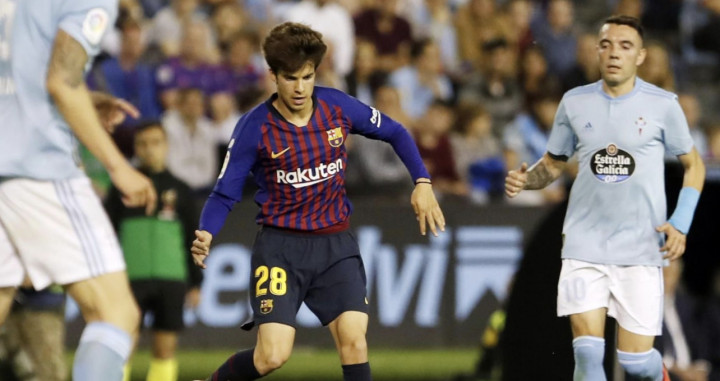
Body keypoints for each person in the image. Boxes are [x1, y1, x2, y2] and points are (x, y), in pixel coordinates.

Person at [191, 22, 445, 381]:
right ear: (273, 77)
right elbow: (224, 192)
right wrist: (207, 231)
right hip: (281, 248)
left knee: (354, 340)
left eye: (307, 77)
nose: (299, 87)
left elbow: (395, 131)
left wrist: (422, 181)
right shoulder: (255, 127)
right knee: (271, 357)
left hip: (335, 245)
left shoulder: (337, 107)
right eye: (290, 78)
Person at [505, 15, 706, 381]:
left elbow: (695, 166)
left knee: (634, 364)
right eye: (607, 44)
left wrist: (681, 222)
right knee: (586, 355)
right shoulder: (574, 103)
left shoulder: (663, 105)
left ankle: (656, 371)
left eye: (625, 46)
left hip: (640, 248)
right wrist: (526, 179)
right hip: (584, 244)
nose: (615, 53)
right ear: (597, 51)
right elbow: (552, 164)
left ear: (640, 56)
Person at [0, 2, 157, 381]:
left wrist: (85, 102)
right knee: (115, 314)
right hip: (34, 168)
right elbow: (61, 82)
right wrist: (120, 168)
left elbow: (23, 77)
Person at [105, 122, 203, 381]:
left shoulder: (181, 190)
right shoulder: (121, 188)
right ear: (136, 147)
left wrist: (196, 283)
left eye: (156, 142)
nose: (149, 149)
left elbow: (193, 237)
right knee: (122, 347)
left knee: (165, 349)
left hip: (171, 280)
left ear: (166, 146)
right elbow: (107, 236)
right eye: (143, 144)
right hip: (129, 281)